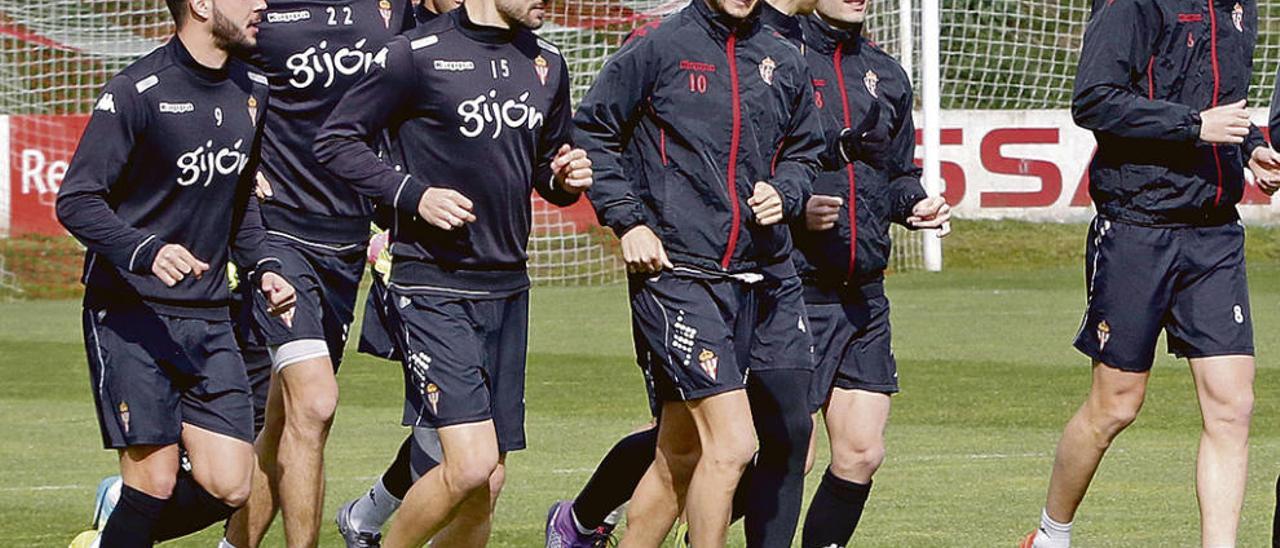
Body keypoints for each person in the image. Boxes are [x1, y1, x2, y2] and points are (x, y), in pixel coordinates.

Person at [314, 0, 594, 541]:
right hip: (431, 282)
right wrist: (413, 195)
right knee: (468, 464)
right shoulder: (414, 55)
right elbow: (335, 141)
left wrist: (566, 177)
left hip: (509, 287)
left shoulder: (548, 63)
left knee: (485, 484)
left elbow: (547, 168)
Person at [544, 1, 819, 546]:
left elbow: (804, 151)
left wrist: (784, 192)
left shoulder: (782, 55)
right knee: (735, 443)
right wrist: (628, 223)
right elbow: (592, 132)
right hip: (674, 274)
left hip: (754, 278)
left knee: (681, 452)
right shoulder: (658, 46)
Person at [1023, 1, 1280, 546]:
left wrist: (1253, 147)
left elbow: (1221, 104)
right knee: (1116, 405)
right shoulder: (1131, 4)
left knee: (1233, 406)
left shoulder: (1241, 8)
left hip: (1215, 233)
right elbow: (1094, 99)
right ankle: (1050, 535)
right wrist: (1193, 127)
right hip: (1137, 224)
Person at [55, 0, 297, 546]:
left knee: (231, 485)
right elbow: (77, 200)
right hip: (131, 314)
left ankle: (111, 535)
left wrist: (266, 268)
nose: (262, 4)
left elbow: (240, 204)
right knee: (155, 481)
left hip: (210, 317)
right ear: (202, 5)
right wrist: (146, 250)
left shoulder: (254, 89)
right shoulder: (136, 91)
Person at [214, 2, 412, 546]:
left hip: (347, 241)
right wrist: (232, 162)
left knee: (283, 421)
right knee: (316, 402)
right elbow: (208, 71)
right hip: (278, 236)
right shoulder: (259, 11)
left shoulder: (395, 10)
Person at [790, 1, 949, 546]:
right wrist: (796, 207)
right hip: (792, 290)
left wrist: (915, 206)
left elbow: (897, 174)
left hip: (863, 294)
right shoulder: (780, 59)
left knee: (861, 452)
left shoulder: (886, 73)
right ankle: (669, 515)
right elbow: (747, 166)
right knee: (783, 455)